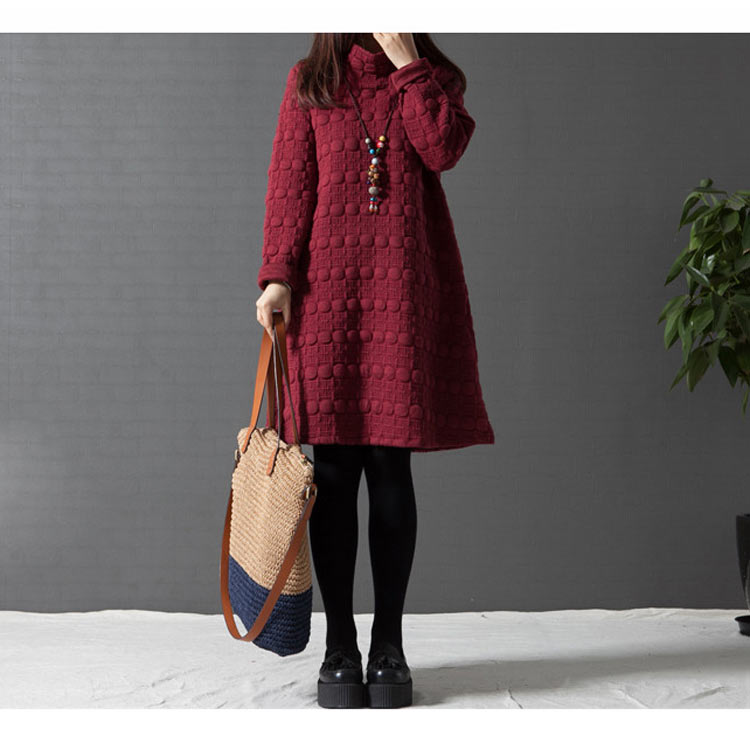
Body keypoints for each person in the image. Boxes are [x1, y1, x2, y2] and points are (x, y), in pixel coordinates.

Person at [254, 32, 495, 709]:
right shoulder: (310, 80)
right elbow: (291, 185)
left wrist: (408, 65)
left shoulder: (434, 77)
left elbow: (443, 149)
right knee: (331, 469)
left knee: (391, 465)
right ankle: (340, 645)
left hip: (402, 292)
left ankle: (389, 643)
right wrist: (277, 276)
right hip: (325, 295)